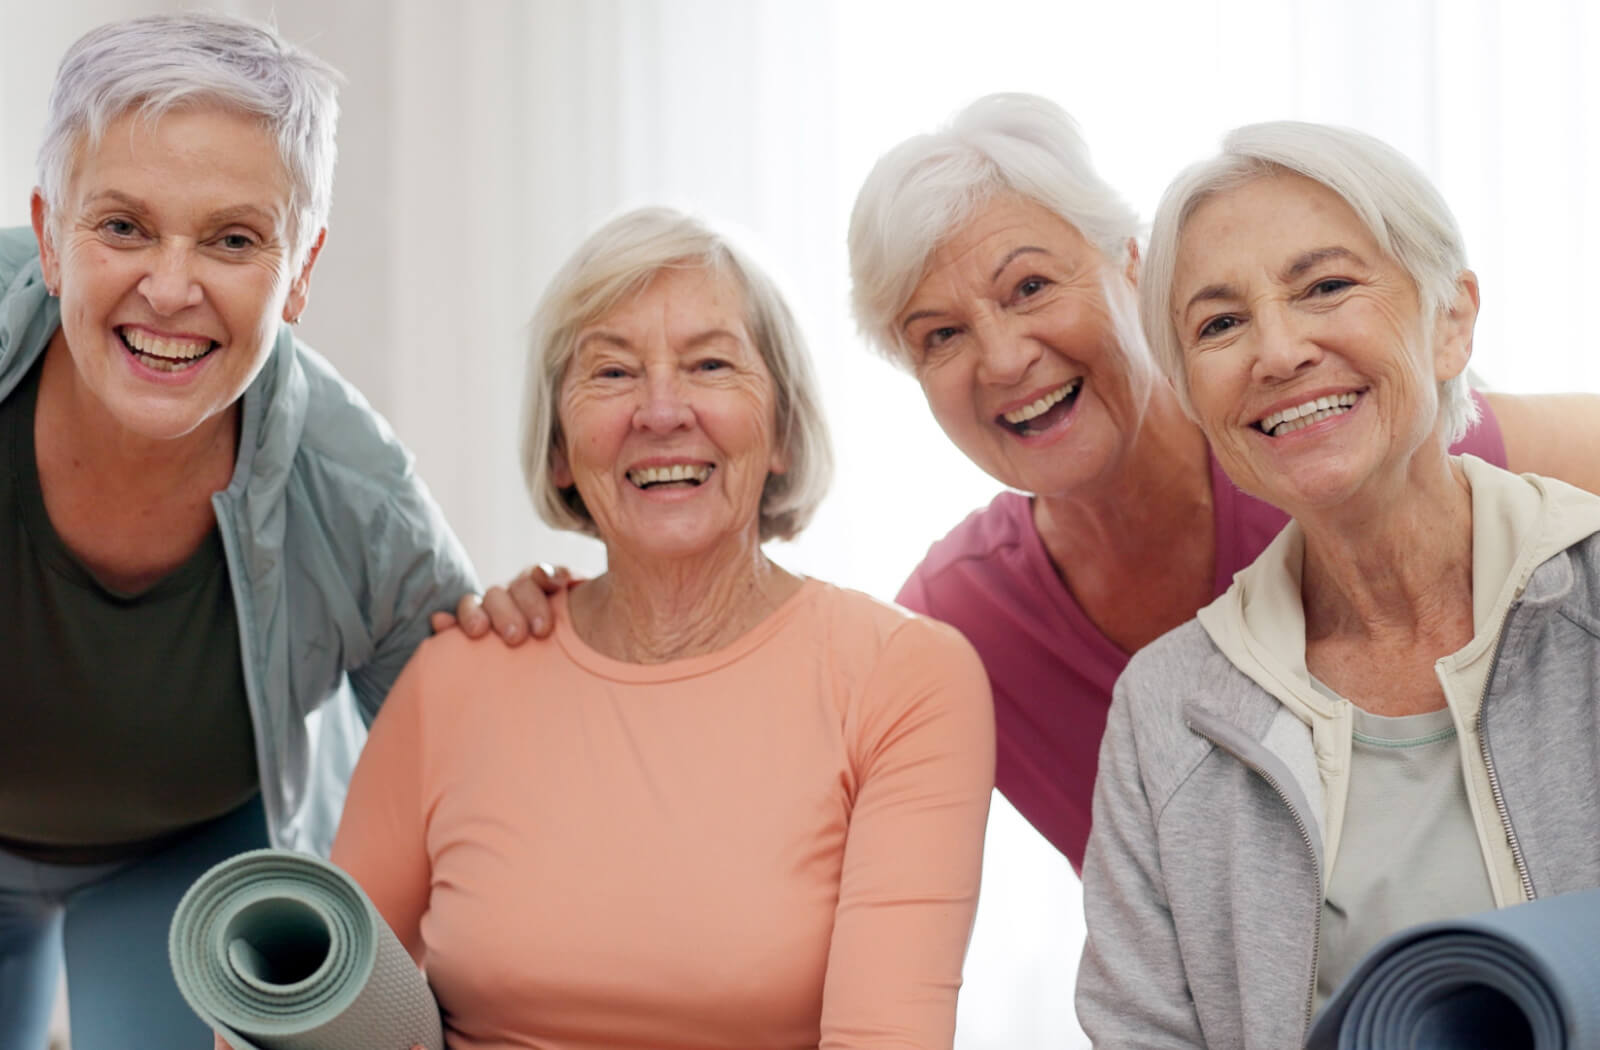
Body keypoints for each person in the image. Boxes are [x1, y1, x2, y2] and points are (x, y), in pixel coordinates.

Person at [846, 93, 1600, 872]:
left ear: (1132, 273)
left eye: (1031, 287)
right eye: (940, 335)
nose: (1003, 359)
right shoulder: (957, 629)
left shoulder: (1331, 438)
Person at [0, 13, 549, 1049]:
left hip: (180, 860)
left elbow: (480, 802)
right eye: (123, 226)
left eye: (234, 239)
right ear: (52, 231)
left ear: (299, 271)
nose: (171, 287)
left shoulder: (362, 505)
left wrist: (540, 646)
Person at [330, 207, 995, 1049]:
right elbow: (312, 1001)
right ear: (563, 449)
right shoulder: (458, 675)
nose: (661, 410)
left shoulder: (901, 677)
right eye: (610, 374)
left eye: (711, 364)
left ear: (782, 428)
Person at [1075, 120, 1600, 1048]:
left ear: (1451, 320)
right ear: (1196, 397)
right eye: (1220, 323)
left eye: (1325, 287)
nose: (1277, 354)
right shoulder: (1166, 709)